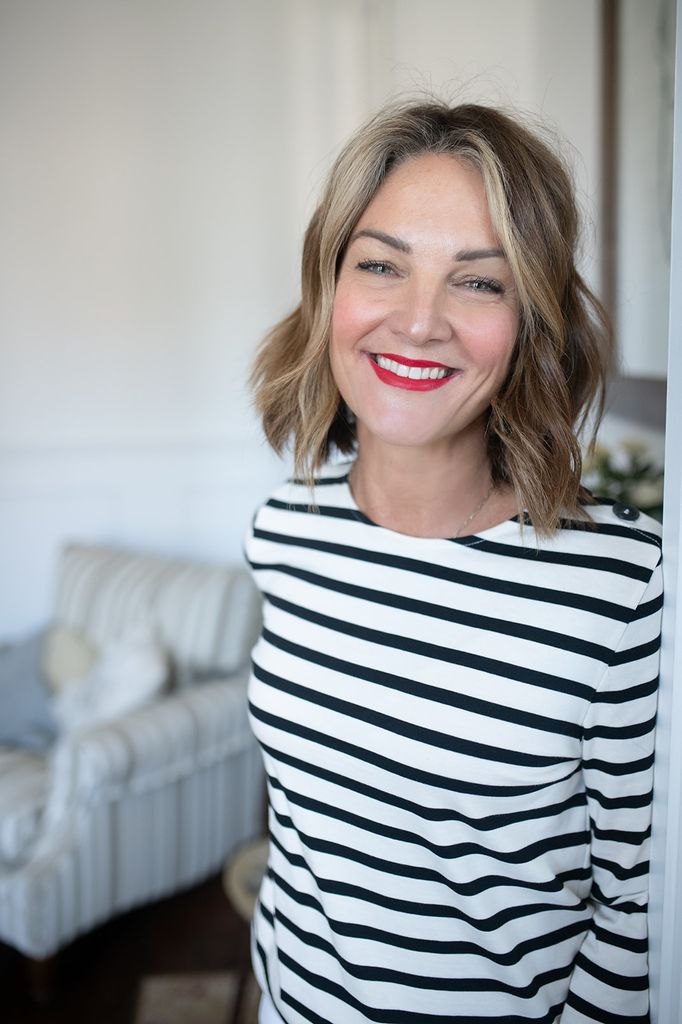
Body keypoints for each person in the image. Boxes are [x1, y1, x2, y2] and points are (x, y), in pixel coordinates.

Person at [245, 100, 663, 1024]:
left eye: (479, 283)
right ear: (329, 290)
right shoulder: (283, 528)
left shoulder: (627, 587)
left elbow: (634, 912)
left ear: (533, 321)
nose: (419, 320)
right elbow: (306, 843)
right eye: (382, 265)